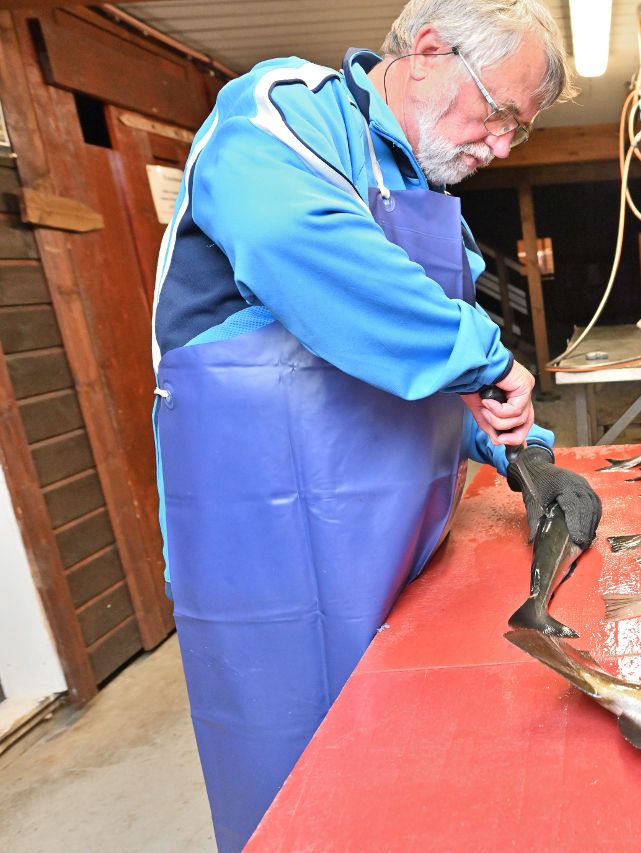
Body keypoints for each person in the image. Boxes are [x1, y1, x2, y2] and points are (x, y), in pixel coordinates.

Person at [151, 2, 600, 849]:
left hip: (401, 548)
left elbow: (437, 384)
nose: (501, 146)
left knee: (413, 787)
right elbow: (306, 247)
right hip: (273, 563)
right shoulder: (283, 110)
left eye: (519, 132)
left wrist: (514, 449)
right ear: (429, 51)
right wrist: (487, 361)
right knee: (302, 798)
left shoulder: (432, 201)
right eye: (500, 114)